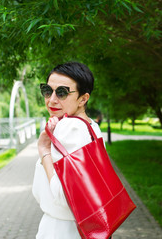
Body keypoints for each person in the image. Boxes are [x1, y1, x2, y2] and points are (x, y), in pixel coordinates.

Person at [32, 62, 107, 239]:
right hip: (82, 228)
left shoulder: (69, 127)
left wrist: (44, 150)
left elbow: (65, 196)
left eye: (62, 92)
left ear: (83, 98)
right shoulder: (91, 127)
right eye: (47, 90)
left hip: (62, 230)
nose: (52, 100)